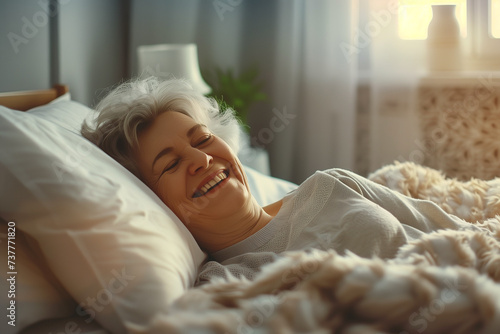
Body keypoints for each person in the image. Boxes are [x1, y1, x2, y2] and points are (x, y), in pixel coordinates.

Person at [82, 77, 484, 280]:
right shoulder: (228, 282)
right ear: (152, 199)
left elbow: (461, 232)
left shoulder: (330, 184)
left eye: (203, 139)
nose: (201, 159)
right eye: (169, 165)